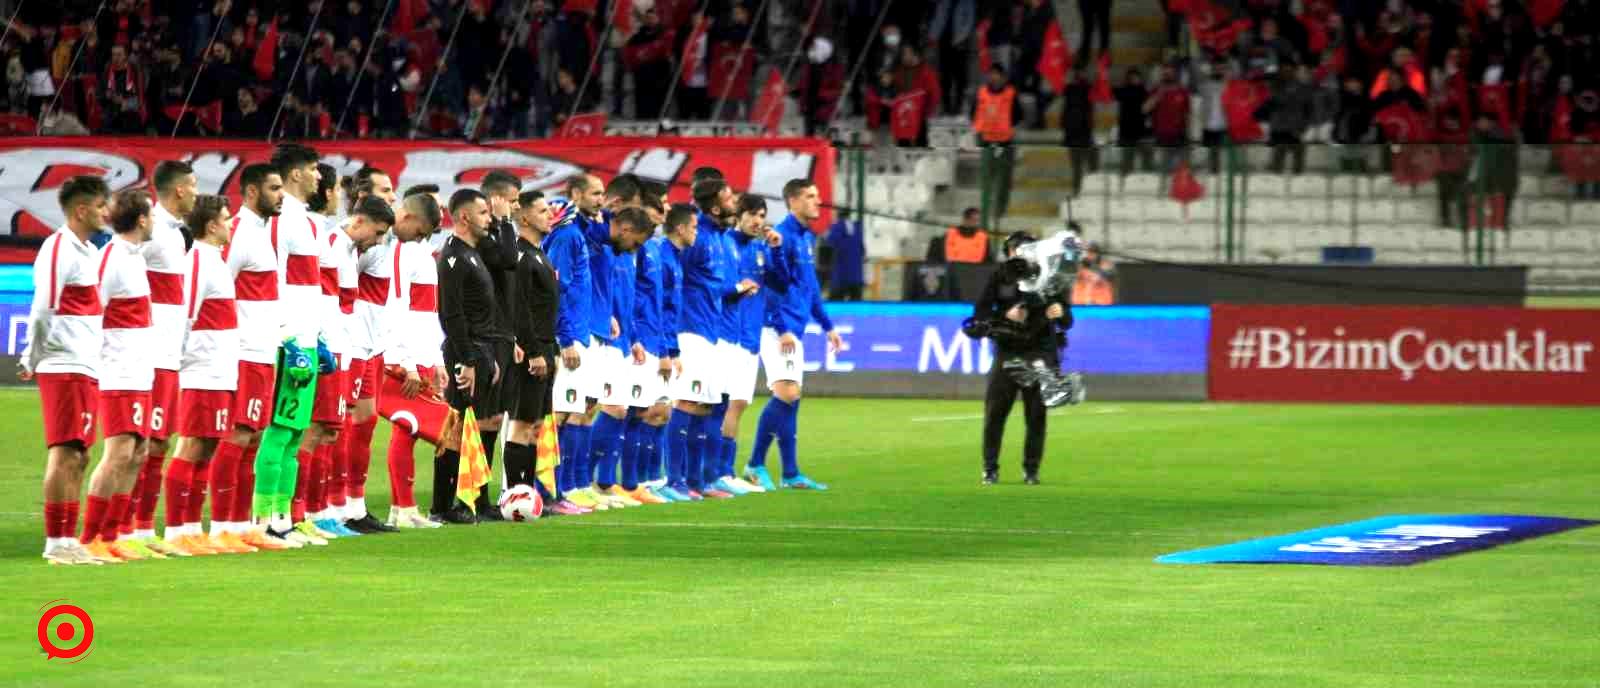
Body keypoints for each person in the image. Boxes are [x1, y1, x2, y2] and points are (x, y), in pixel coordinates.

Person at [252, 144, 337, 547]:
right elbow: (273, 284)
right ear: (297, 174)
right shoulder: (280, 219)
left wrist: (317, 337)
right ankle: (262, 520)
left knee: (294, 434)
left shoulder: (306, 221)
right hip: (286, 343)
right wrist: (289, 338)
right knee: (279, 431)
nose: (321, 177)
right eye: (315, 169)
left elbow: (307, 288)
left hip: (305, 339)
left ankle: (282, 518)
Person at [24, 176, 109, 565]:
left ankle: (68, 539)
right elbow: (43, 309)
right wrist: (32, 356)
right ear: (81, 210)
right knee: (65, 452)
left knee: (80, 454)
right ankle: (55, 541)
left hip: (86, 364)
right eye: (100, 205)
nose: (106, 212)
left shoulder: (88, 252)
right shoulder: (58, 248)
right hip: (64, 364)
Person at [165, 194, 254, 556]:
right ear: (212, 225)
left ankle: (193, 529)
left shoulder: (216, 261)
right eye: (227, 218)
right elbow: (184, 315)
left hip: (220, 371)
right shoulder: (197, 261)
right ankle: (175, 530)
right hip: (200, 371)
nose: (232, 223)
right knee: (191, 445)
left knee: (209, 447)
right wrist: (180, 360)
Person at [744, 179, 842, 491]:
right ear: (793, 201)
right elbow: (770, 286)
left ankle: (790, 472)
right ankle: (755, 463)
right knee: (786, 394)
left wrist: (828, 326)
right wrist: (782, 327)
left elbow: (810, 287)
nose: (818, 201)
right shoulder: (782, 236)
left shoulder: (805, 237)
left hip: (793, 327)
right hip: (777, 328)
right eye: (811, 196)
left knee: (792, 399)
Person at [126, 160, 197, 555]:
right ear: (180, 190)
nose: (198, 192)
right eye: (194, 185)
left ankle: (140, 530)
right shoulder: (149, 232)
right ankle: (123, 528)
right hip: (149, 356)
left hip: (172, 356)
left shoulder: (176, 235)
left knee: (160, 444)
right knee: (142, 445)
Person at [218, 163, 289, 550]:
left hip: (265, 352)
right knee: (238, 435)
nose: (281, 195)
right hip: (243, 352)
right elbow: (219, 287)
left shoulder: (262, 233)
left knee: (254, 436)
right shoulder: (241, 233)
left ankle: (242, 526)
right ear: (250, 193)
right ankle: (222, 525)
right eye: (274, 188)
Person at [433, 189, 509, 524]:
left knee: (482, 422)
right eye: (483, 213)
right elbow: (451, 314)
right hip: (465, 349)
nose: (489, 218)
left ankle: (475, 499)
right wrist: (465, 361)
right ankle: (443, 505)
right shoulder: (453, 255)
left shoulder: (474, 252)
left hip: (483, 347)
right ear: (464, 217)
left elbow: (506, 259)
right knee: (456, 424)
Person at [973, 232, 1072, 485]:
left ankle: (1031, 470)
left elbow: (1067, 321)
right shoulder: (998, 277)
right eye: (1013, 250)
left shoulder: (1051, 278)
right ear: (1007, 253)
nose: (1017, 254)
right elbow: (980, 316)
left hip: (1040, 353)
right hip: (1008, 351)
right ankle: (990, 468)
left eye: (1024, 249)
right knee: (995, 414)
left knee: (1036, 415)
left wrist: (1059, 313)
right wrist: (1005, 318)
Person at [378, 189, 448, 529]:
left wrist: (436, 360)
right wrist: (405, 363)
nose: (422, 237)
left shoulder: (418, 252)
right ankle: (402, 508)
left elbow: (427, 314)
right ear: (409, 217)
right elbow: (396, 309)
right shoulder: (399, 253)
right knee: (407, 427)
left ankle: (401, 509)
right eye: (421, 230)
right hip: (402, 356)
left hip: (420, 354)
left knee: (409, 431)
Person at [339, 166, 403, 534]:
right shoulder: (352, 242)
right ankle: (333, 506)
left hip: (374, 345)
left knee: (362, 428)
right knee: (341, 427)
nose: (392, 195)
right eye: (385, 189)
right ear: (363, 198)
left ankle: (354, 505)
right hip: (355, 347)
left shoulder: (383, 239)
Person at [504, 190, 575, 513]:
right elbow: (519, 309)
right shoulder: (520, 255)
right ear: (525, 217)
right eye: (544, 210)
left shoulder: (539, 253)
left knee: (534, 424)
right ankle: (515, 494)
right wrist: (532, 350)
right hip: (533, 349)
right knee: (521, 423)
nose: (550, 215)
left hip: (546, 346)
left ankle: (527, 494)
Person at [543, 183, 596, 510]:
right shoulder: (567, 236)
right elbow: (556, 288)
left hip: (578, 330)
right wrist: (565, 339)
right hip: (569, 335)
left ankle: (558, 491)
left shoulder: (576, 234)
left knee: (570, 413)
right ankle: (547, 492)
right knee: (559, 415)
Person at [973, 64, 1019, 223]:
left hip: (1005, 142)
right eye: (991, 74)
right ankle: (985, 216)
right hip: (987, 141)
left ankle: (1000, 211)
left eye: (997, 74)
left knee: (1004, 180)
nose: (994, 77)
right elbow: (975, 114)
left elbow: (1018, 115)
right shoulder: (981, 93)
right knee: (986, 181)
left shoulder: (1011, 93)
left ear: (1003, 77)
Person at [927, 207, 993, 264]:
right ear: (965, 219)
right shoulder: (948, 236)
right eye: (973, 220)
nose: (975, 223)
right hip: (953, 274)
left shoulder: (983, 238)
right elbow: (935, 259)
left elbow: (989, 261)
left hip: (974, 275)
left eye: (977, 221)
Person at [825, 209, 865, 301]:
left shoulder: (837, 226)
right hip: (856, 275)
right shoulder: (857, 227)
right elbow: (862, 249)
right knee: (856, 304)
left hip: (841, 274)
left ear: (838, 215)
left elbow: (830, 241)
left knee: (836, 303)